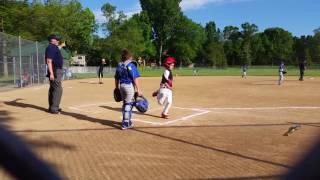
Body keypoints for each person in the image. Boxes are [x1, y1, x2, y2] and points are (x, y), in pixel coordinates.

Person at [114, 49, 142, 130]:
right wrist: (139, 89)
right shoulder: (131, 65)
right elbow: (135, 78)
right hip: (128, 86)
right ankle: (125, 123)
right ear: (129, 57)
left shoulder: (119, 65)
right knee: (128, 104)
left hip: (121, 86)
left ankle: (127, 120)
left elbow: (116, 78)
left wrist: (116, 87)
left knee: (125, 103)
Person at [45, 34, 63, 114]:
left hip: (54, 70)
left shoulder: (52, 47)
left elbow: (58, 48)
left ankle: (52, 107)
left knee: (53, 88)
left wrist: (61, 46)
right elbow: (49, 61)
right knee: (58, 89)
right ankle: (54, 108)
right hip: (55, 70)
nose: (58, 41)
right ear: (52, 40)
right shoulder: (52, 47)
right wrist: (52, 73)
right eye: (57, 39)